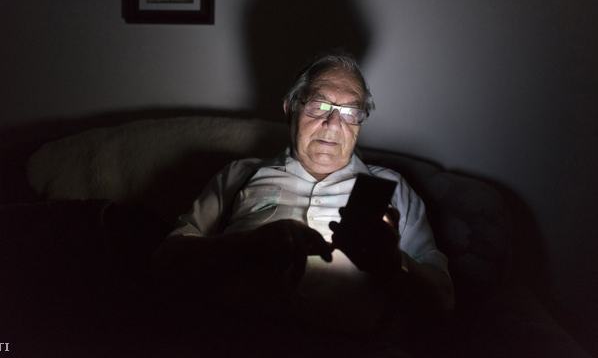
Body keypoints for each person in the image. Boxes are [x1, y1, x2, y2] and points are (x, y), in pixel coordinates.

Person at [153, 53, 454, 333]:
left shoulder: (392, 187)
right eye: (319, 105)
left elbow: (443, 302)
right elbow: (166, 261)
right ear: (290, 107)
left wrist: (394, 264)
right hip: (242, 337)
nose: (333, 123)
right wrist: (245, 246)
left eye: (350, 112)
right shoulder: (240, 174)